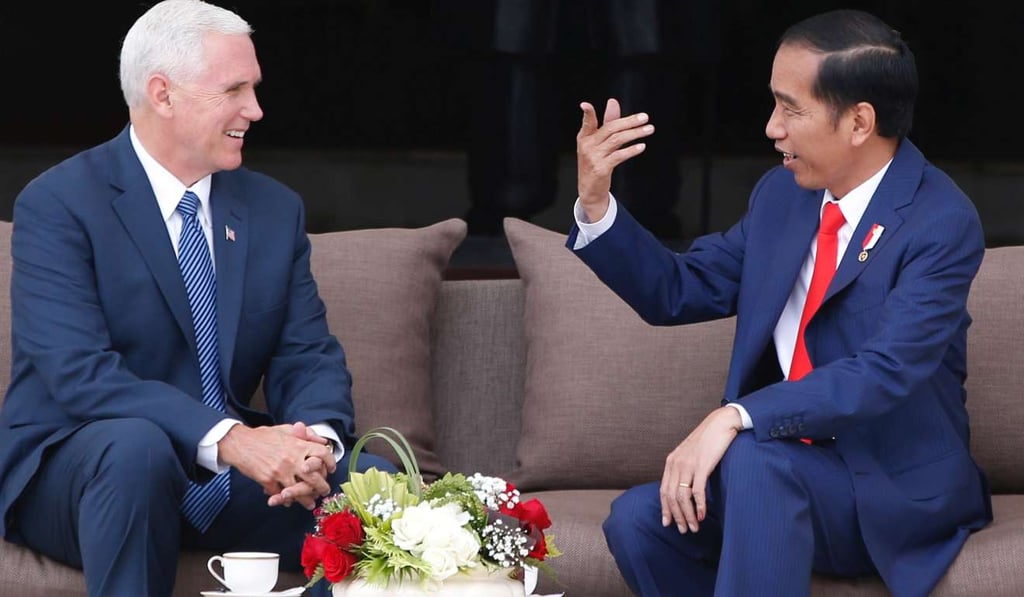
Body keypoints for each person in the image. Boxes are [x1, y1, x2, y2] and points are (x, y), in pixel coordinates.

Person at [570, 9, 992, 597]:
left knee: (752, 457)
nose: (772, 128)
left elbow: (886, 371)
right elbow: (678, 289)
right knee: (640, 522)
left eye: (791, 108)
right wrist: (595, 204)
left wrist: (738, 415)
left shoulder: (939, 221)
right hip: (777, 477)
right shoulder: (782, 196)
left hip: (888, 490)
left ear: (859, 122)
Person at [0, 1, 393, 596]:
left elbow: (306, 354)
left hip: (224, 482)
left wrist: (312, 447)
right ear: (162, 94)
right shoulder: (58, 204)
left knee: (377, 489)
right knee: (136, 448)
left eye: (254, 89)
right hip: (85, 474)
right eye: (234, 89)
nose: (255, 110)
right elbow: (80, 375)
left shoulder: (272, 209)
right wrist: (234, 440)